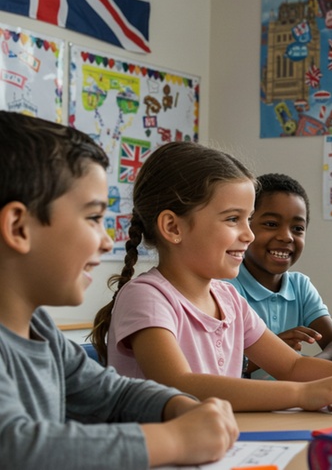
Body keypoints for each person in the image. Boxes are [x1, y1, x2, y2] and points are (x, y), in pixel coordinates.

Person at [90, 141, 332, 412]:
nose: (249, 235)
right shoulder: (146, 297)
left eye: (248, 219)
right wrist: (302, 394)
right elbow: (180, 385)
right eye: (233, 219)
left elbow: (291, 365)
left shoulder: (228, 298)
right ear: (173, 227)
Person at [0, 113, 237, 469]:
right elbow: (14, 448)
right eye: (94, 218)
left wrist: (179, 406)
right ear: (19, 227)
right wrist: (176, 439)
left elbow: (111, 395)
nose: (106, 241)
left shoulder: (40, 329)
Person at [227, 173, 332, 374]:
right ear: (245, 226)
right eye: (271, 224)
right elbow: (220, 363)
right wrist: (275, 353)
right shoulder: (226, 288)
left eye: (298, 228)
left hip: (295, 392)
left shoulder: (300, 286)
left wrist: (308, 367)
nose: (286, 237)